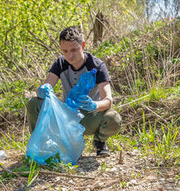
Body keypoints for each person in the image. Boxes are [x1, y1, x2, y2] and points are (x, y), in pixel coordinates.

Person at [27, 26, 121, 157]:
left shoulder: (97, 65)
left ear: (83, 45)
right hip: (66, 116)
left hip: (89, 117)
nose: (69, 56)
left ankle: (100, 142)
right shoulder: (60, 63)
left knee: (113, 118)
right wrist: (42, 90)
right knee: (33, 103)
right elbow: (46, 85)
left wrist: (94, 105)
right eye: (64, 51)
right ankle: (40, 143)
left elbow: (108, 101)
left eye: (74, 50)